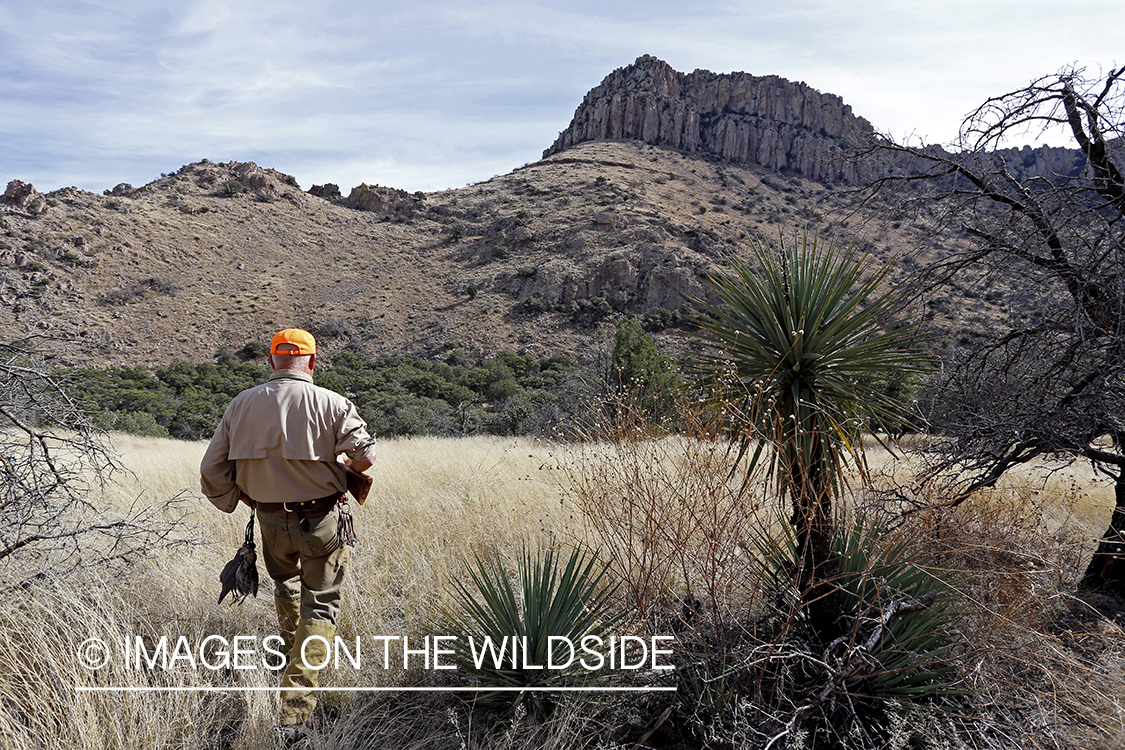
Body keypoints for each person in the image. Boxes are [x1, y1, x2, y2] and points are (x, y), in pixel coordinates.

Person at [200, 328, 376, 741]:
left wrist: (240, 498)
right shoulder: (333, 403)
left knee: (287, 588)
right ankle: (295, 714)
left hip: (270, 522)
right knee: (321, 609)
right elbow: (364, 456)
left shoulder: (241, 404)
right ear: (312, 362)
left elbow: (212, 471)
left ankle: (291, 659)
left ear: (271, 360)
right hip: (323, 522)